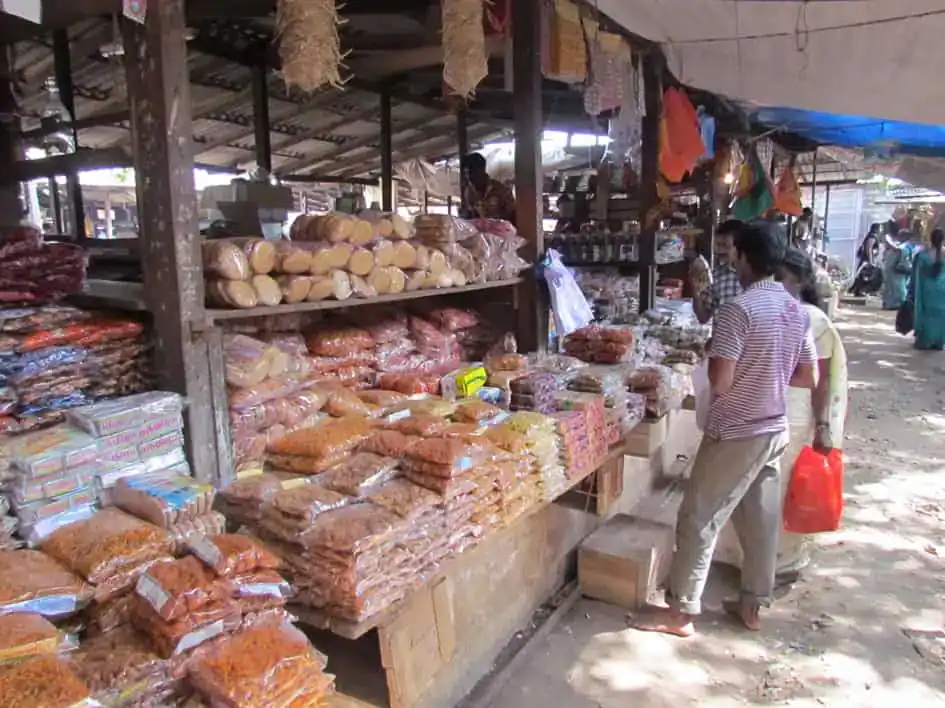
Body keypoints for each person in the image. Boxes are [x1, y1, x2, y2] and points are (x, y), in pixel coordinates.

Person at [631, 224, 817, 638]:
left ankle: (680, 612)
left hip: (736, 430)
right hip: (773, 427)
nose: (733, 261)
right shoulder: (796, 310)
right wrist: (767, 374)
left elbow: (721, 382)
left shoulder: (739, 310)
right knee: (760, 521)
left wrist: (732, 366)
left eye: (735, 255)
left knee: (699, 516)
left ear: (744, 258)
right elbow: (808, 376)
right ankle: (753, 604)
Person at [715, 248, 848, 578]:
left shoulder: (813, 320)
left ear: (799, 282)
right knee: (752, 489)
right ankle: (746, 562)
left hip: (795, 412)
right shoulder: (771, 311)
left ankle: (778, 563)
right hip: (765, 406)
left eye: (783, 278)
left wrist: (822, 425)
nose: (776, 283)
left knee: (780, 489)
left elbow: (820, 379)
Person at [691, 220, 744, 325]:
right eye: (717, 245)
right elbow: (702, 317)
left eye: (724, 245)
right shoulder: (715, 275)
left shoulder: (754, 277)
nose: (718, 250)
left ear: (740, 247)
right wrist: (696, 292)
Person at [911, 228, 945, 350]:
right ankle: (939, 341)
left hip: (927, 289)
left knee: (926, 314)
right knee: (941, 315)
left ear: (931, 239)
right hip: (942, 290)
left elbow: (916, 273)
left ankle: (926, 341)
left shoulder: (923, 255)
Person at [460, 153, 517, 223]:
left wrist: (495, 221)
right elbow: (471, 216)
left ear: (482, 169)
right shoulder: (469, 192)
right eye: (466, 173)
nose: (469, 177)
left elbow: (513, 214)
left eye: (471, 172)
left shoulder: (500, 190)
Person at [882, 229, 916, 310]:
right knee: (893, 287)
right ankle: (890, 304)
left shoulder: (906, 245)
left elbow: (901, 251)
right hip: (894, 269)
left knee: (899, 288)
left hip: (900, 269)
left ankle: (897, 304)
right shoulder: (899, 244)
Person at [849, 224, 883, 296]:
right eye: (881, 228)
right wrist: (870, 260)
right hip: (867, 260)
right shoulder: (873, 236)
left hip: (866, 259)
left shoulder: (871, 236)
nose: (881, 230)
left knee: (864, 275)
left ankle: (858, 290)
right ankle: (860, 290)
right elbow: (869, 248)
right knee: (866, 276)